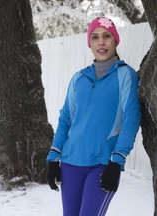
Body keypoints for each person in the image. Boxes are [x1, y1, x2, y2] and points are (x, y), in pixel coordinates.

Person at [46, 17, 142, 216]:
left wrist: (116, 161)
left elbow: (131, 118)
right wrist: (53, 159)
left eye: (107, 36)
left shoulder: (125, 75)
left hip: (102, 164)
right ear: (89, 42)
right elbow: (66, 119)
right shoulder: (78, 78)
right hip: (71, 163)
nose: (101, 42)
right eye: (95, 37)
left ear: (115, 41)